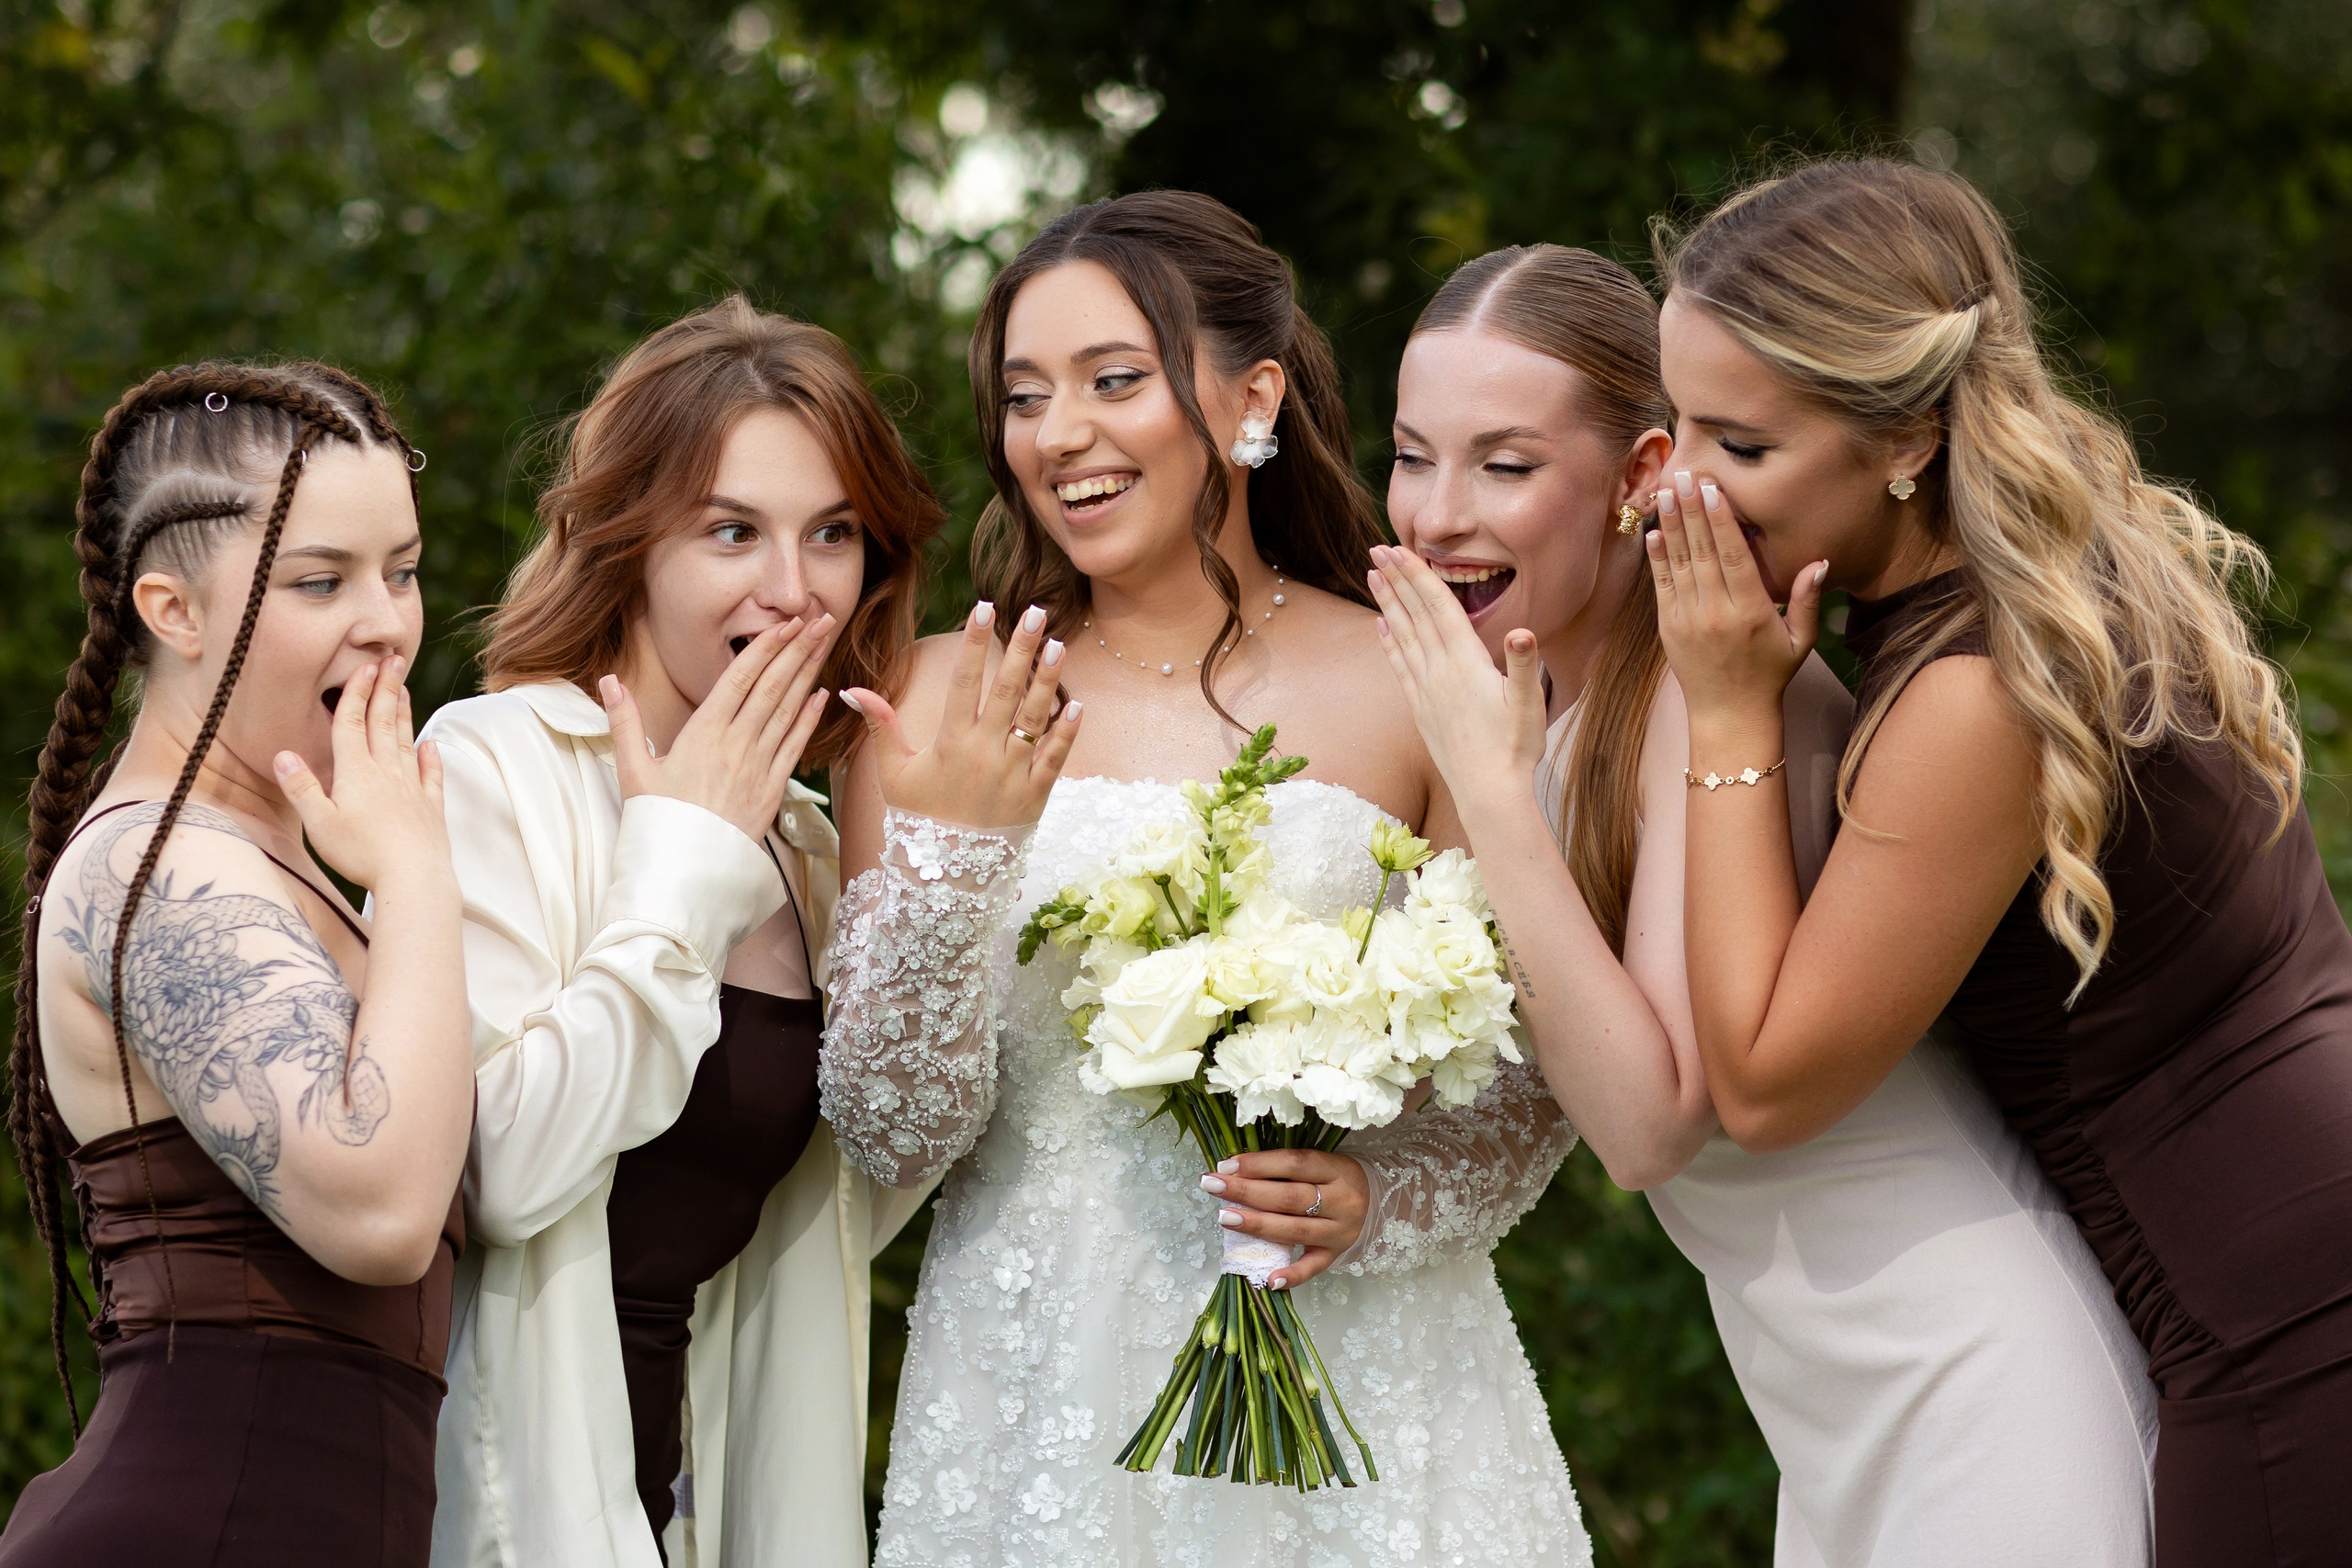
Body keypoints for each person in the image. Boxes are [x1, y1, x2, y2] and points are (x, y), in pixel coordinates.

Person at [1364, 243, 2155, 1564]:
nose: (1440, 514)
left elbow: (1647, 1125)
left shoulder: (1704, 688)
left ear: (1637, 478)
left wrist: (1492, 800)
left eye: (1505, 466)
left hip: (1971, 1364)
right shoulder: (1505, 702)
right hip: (1816, 1390)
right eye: (1409, 454)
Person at [839, 191, 1590, 1568]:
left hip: (1363, 1376)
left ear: (1251, 398)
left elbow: (1533, 1073)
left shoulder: (1421, 681)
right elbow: (895, 1132)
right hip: (1043, 1394)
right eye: (1023, 396)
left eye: (1113, 381)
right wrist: (955, 859)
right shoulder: (937, 698)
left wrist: (1380, 1203)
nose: (1059, 432)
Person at [1644, 155, 2352, 1564]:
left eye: (1740, 443)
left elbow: (1771, 1082)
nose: (1682, 488)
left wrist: (1725, 713)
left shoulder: (1975, 696)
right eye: (1672, 423)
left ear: (1904, 434)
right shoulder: (2056, 568)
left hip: (2279, 1324)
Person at [424, 296, 1078, 1568]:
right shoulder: (490, 765)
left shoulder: (815, 847)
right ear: (626, 545)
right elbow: (499, 1170)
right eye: (733, 532)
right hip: (505, 1500)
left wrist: (953, 882)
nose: (793, 592)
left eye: (832, 535)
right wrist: (686, 861)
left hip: (689, 1505)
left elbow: (851, 1203)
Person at [0, 363, 472, 1565]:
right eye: (322, 579)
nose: (386, 620)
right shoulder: (157, 871)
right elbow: (378, 1211)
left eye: (402, 570)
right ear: (175, 610)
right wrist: (417, 876)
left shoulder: (271, 859)